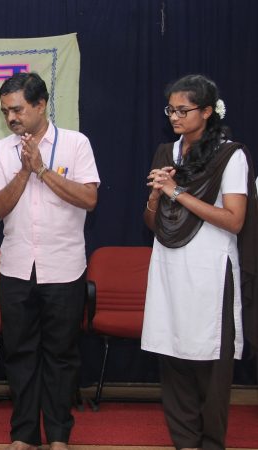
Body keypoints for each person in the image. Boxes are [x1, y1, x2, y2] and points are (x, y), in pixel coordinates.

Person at [0, 72, 99, 450]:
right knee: (20, 354)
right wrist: (24, 170)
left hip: (64, 267)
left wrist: (43, 170)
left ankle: (59, 435)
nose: (11, 118)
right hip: (17, 267)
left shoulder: (76, 144)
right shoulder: (2, 150)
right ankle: (24, 434)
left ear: (40, 105)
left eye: (17, 109)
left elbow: (89, 199)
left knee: (61, 356)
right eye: (5, 111)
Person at [142, 74, 257, 450]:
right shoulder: (167, 153)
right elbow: (152, 222)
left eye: (183, 110)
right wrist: (156, 197)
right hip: (169, 269)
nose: (174, 117)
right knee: (173, 358)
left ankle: (210, 443)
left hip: (211, 271)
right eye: (170, 110)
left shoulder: (230, 155)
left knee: (211, 364)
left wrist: (177, 191)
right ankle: (185, 443)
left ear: (207, 112)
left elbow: (234, 220)